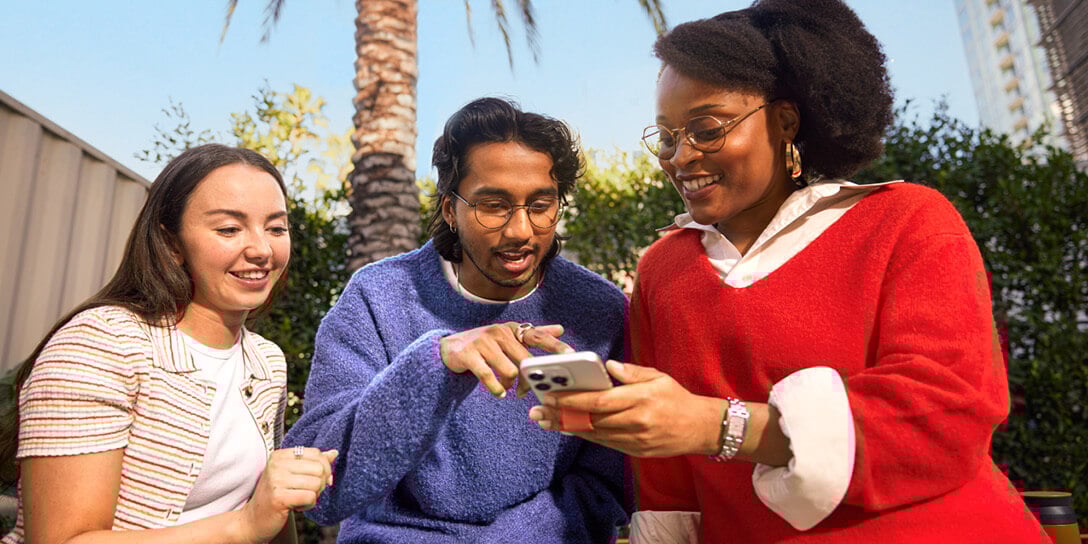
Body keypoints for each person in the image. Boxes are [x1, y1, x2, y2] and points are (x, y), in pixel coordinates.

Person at [528, 1, 1049, 542]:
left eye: (705, 128)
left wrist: (716, 425)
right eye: (666, 136)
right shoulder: (663, 268)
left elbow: (946, 412)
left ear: (785, 122)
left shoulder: (906, 220)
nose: (680, 156)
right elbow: (669, 484)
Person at [283, 97, 629, 543]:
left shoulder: (595, 311)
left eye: (541, 205)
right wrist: (435, 362)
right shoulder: (378, 298)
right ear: (450, 209)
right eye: (493, 205)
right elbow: (321, 487)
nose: (521, 230)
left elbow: (607, 483)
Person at [0, 144, 335, 544]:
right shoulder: (99, 345)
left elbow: (271, 509)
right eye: (229, 228)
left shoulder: (265, 362)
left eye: (277, 228)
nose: (262, 250)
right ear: (171, 243)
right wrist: (242, 527)